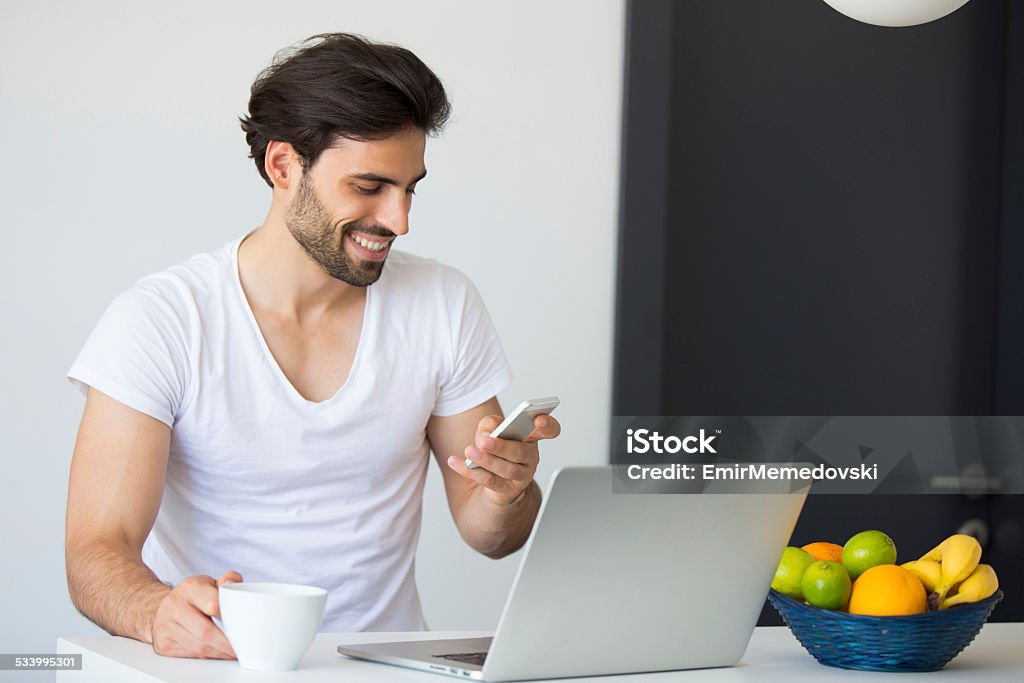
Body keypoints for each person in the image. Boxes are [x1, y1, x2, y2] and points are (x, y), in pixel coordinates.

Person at [64, 32, 560, 661]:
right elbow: (94, 550)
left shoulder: (443, 302)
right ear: (283, 166)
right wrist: (154, 608)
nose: (399, 219)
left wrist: (504, 493)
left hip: (387, 668)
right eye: (369, 186)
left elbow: (491, 537)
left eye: (411, 188)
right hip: (223, 667)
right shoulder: (162, 321)